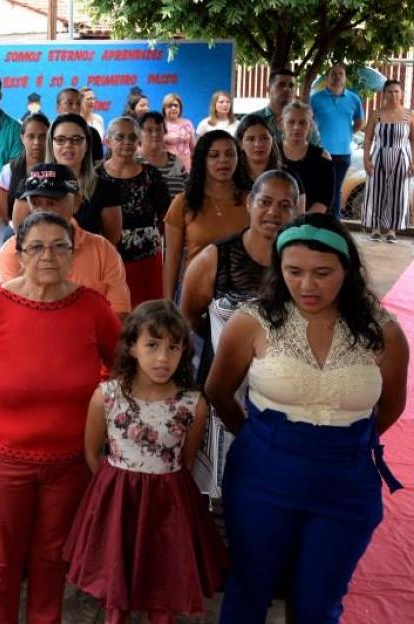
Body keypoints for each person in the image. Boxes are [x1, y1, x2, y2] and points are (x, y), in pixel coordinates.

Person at [206, 213, 408, 622]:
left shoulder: (383, 332)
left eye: (322, 273)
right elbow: (218, 391)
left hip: (346, 481)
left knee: (318, 603)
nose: (307, 285)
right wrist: (261, 438)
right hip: (261, 475)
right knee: (249, 589)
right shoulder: (252, 321)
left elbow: (391, 407)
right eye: (294, 271)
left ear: (347, 270)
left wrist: (343, 445)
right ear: (279, 269)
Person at [0, 210, 119, 624]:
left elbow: (120, 365)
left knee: (53, 556)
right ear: (18, 254)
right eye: (36, 247)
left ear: (72, 253)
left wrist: (97, 408)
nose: (47, 256)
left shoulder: (92, 307)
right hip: (2, 458)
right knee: (2, 558)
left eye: (59, 247)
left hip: (70, 461)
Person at [64, 300, 226, 624]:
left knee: (163, 585)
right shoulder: (107, 396)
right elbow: (92, 452)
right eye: (152, 345)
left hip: (169, 506)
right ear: (132, 347)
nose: (163, 357)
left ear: (184, 351)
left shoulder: (193, 404)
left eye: (173, 347)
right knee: (117, 587)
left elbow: (187, 459)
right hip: (118, 503)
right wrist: (115, 486)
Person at [180, 170, 301, 498]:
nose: (274, 212)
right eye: (265, 202)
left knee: (271, 493)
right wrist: (228, 345)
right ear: (249, 203)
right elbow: (190, 314)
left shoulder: (303, 263)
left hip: (282, 402)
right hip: (223, 393)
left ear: (297, 210)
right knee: (219, 492)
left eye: (285, 205)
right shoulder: (215, 259)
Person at [0, 164, 131, 315]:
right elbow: (12, 313)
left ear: (77, 202)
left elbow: (119, 315)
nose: (43, 211)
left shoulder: (104, 251)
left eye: (52, 202)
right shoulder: (13, 251)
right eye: (35, 203)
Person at [162, 130, 250, 300]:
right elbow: (172, 258)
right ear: (203, 160)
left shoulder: (252, 201)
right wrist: (168, 303)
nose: (223, 160)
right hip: (195, 294)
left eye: (230, 154)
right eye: (214, 155)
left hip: (242, 295)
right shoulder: (183, 203)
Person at [14, 113, 123, 249]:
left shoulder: (106, 190)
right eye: (60, 140)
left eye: (76, 140)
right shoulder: (30, 184)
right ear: (51, 144)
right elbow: (20, 236)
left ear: (87, 144)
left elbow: (110, 243)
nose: (68, 145)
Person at [100, 116, 171, 306]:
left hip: (147, 259)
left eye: (132, 137)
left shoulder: (151, 174)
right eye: (120, 137)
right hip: (107, 259)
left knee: (148, 312)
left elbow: (165, 216)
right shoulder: (96, 175)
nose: (127, 142)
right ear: (108, 141)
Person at [311, 64, 366, 218]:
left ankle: (334, 223)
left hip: (343, 153)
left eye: (341, 74)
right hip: (321, 152)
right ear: (327, 77)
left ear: (345, 78)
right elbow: (308, 122)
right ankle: (319, 221)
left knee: (336, 190)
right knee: (320, 189)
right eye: (333, 74)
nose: (337, 76)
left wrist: (347, 134)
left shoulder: (354, 99)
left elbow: (361, 122)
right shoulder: (315, 99)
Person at [362, 79, 414, 242]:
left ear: (402, 94)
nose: (393, 95)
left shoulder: (409, 115)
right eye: (390, 91)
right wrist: (366, 159)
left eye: (396, 91)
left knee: (398, 192)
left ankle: (392, 230)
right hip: (378, 157)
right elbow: (368, 138)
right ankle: (375, 228)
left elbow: (413, 140)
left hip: (402, 158)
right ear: (384, 94)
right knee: (375, 191)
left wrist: (413, 162)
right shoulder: (376, 114)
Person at [0, 113, 50, 227]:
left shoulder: (59, 170)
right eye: (31, 136)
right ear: (22, 138)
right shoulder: (9, 171)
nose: (36, 142)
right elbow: (2, 213)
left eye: (42, 136)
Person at [280, 100, 334, 213]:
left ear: (310, 125)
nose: (296, 127)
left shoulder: (322, 157)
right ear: (282, 124)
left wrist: (303, 221)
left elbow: (325, 199)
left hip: (311, 220)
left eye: (302, 122)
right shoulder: (272, 153)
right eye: (291, 122)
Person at [252, 68, 322, 148]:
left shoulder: (306, 122)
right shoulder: (254, 120)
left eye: (291, 86)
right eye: (281, 85)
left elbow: (317, 151)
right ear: (268, 89)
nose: (287, 89)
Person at [138, 111, 188, 199]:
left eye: (158, 129)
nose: (155, 134)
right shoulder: (133, 162)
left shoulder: (175, 161)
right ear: (138, 134)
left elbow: (190, 191)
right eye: (149, 130)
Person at [57, 88, 105, 163]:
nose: (75, 107)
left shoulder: (92, 133)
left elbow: (98, 162)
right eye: (70, 103)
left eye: (78, 104)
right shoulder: (49, 132)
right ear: (58, 107)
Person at [162, 93, 197, 172]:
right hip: (167, 169)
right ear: (164, 108)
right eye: (170, 106)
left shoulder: (188, 123)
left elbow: (193, 148)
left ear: (180, 108)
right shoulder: (159, 124)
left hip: (186, 168)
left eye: (176, 105)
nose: (173, 108)